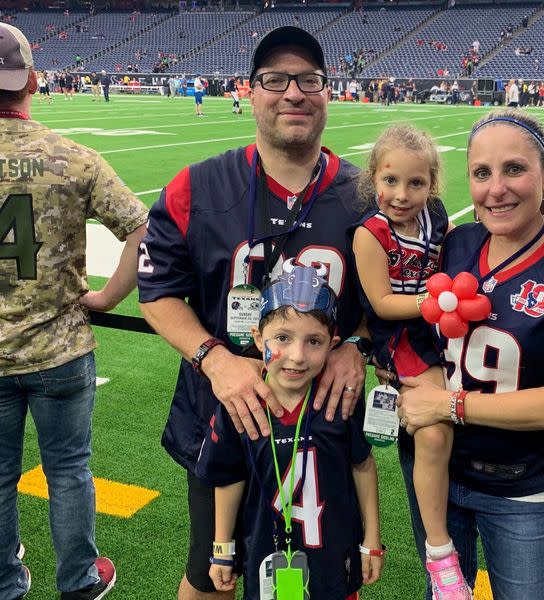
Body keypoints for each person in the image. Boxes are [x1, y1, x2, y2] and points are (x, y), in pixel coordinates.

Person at [137, 26, 371, 600]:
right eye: (275, 80)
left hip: (322, 423)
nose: (293, 93)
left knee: (323, 580)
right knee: (211, 575)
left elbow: (393, 301)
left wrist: (356, 346)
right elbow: (156, 293)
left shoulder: (369, 195)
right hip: (225, 418)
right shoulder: (196, 186)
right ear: (250, 91)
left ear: (327, 92)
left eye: (309, 80)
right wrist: (215, 359)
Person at [394, 109, 544, 600]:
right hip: (435, 468)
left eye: (514, 169)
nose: (496, 189)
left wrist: (445, 404)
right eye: (482, 173)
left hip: (519, 487)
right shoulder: (457, 243)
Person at [0, 22, 149, 600]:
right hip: (61, 345)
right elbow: (143, 228)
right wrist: (109, 298)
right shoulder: (74, 158)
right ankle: (78, 581)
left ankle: (7, 584)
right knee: (67, 471)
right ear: (33, 80)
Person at [198, 264, 384, 599]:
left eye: (314, 341)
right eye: (282, 338)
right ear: (259, 338)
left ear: (333, 345)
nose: (297, 356)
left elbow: (362, 464)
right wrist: (222, 547)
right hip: (265, 558)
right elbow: (228, 477)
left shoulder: (340, 401)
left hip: (332, 560)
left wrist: (372, 540)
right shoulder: (241, 404)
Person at [350, 126, 470, 600]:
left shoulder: (436, 218)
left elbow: (454, 250)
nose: (401, 194)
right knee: (435, 430)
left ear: (432, 185)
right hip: (401, 335)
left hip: (438, 327)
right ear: (374, 178)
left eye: (415, 183)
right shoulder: (371, 233)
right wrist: (435, 303)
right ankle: (440, 554)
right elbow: (380, 303)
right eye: (391, 180)